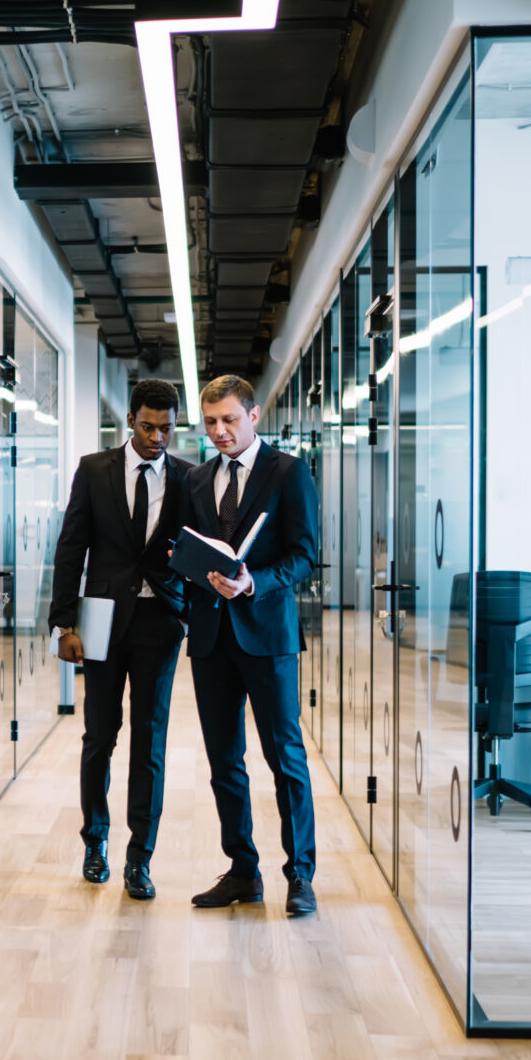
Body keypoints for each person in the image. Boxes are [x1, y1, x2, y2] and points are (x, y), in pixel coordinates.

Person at [48, 378, 193, 899]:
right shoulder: (94, 470)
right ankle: (95, 841)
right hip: (101, 620)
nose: (157, 438)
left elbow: (197, 554)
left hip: (160, 622)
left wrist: (190, 610)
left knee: (149, 743)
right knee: (99, 737)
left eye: (167, 429)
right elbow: (72, 548)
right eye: (149, 426)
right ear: (130, 420)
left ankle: (140, 858)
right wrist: (64, 624)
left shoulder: (188, 478)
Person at [183, 374, 321, 917]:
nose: (219, 432)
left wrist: (253, 582)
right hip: (212, 637)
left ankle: (300, 876)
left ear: (254, 415)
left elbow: (305, 554)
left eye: (229, 420)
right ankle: (243, 870)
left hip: (267, 636)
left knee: (284, 758)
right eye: (211, 421)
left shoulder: (288, 472)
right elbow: (188, 548)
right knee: (224, 761)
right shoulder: (197, 479)